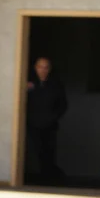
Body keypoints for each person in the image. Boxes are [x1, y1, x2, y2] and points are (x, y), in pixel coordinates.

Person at [24, 57, 67, 185]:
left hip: (50, 125)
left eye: (46, 67)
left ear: (49, 69)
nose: (43, 70)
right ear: (35, 68)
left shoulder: (55, 85)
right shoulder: (28, 83)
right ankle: (32, 180)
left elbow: (63, 105)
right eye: (40, 67)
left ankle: (48, 180)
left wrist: (53, 117)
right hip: (31, 125)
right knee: (32, 153)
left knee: (48, 153)